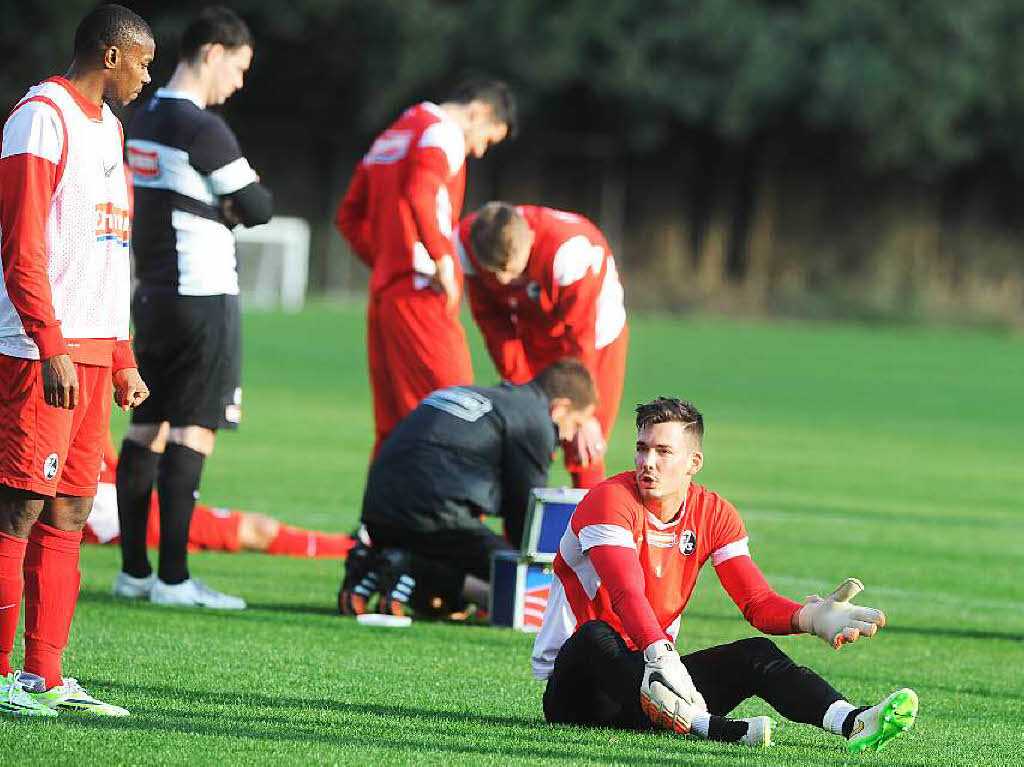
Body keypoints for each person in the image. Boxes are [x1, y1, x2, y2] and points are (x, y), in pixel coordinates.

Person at [532, 397, 919, 753]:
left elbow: (757, 603)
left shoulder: (715, 514)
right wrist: (664, 660)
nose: (647, 461)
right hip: (582, 692)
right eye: (642, 448)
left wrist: (811, 618)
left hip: (663, 682)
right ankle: (711, 728)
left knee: (755, 653)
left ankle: (853, 721)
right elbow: (626, 594)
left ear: (693, 463)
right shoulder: (607, 501)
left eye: (663, 451)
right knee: (595, 636)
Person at [0, 4, 154, 717]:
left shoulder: (113, 130)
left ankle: (45, 675)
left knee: (71, 506)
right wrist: (50, 341)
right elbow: (22, 243)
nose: (148, 76)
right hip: (38, 350)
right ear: (111, 56)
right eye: (144, 61)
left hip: (94, 352)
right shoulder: (41, 116)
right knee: (20, 503)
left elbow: (110, 249)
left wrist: (121, 352)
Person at [114, 6, 272, 610]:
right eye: (239, 66)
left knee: (146, 426)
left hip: (151, 292)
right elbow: (256, 204)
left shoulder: (144, 115)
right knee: (193, 428)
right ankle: (175, 580)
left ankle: (134, 571)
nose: (239, 81)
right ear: (212, 53)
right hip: (203, 295)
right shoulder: (202, 127)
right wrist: (239, 200)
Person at [335, 79, 517, 459]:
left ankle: (379, 519)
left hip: (386, 293)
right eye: (487, 139)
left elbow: (348, 216)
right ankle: (456, 518)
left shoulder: (393, 135)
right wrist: (440, 259)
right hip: (421, 292)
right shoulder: (442, 133)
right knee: (461, 410)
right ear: (477, 112)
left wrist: (387, 262)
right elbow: (420, 191)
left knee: (394, 425)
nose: (479, 151)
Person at [339, 359, 597, 617]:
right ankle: (413, 568)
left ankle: (378, 558)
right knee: (528, 587)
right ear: (560, 408)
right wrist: (542, 571)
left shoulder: (484, 397)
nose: (568, 437)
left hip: (377, 512)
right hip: (430, 517)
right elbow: (525, 517)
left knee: (448, 600)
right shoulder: (535, 421)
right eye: (575, 424)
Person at [458, 203, 628, 489]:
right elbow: (493, 324)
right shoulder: (469, 240)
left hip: (593, 340)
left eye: (509, 271)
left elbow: (580, 337)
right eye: (492, 273)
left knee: (583, 444)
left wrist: (584, 409)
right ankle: (514, 529)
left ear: (530, 246)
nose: (501, 281)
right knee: (520, 432)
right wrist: (519, 387)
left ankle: (592, 528)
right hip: (535, 327)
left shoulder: (568, 255)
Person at [90, 438, 354, 559]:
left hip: (130, 499)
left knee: (258, 527)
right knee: (258, 529)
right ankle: (352, 549)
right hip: (127, 515)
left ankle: (350, 545)